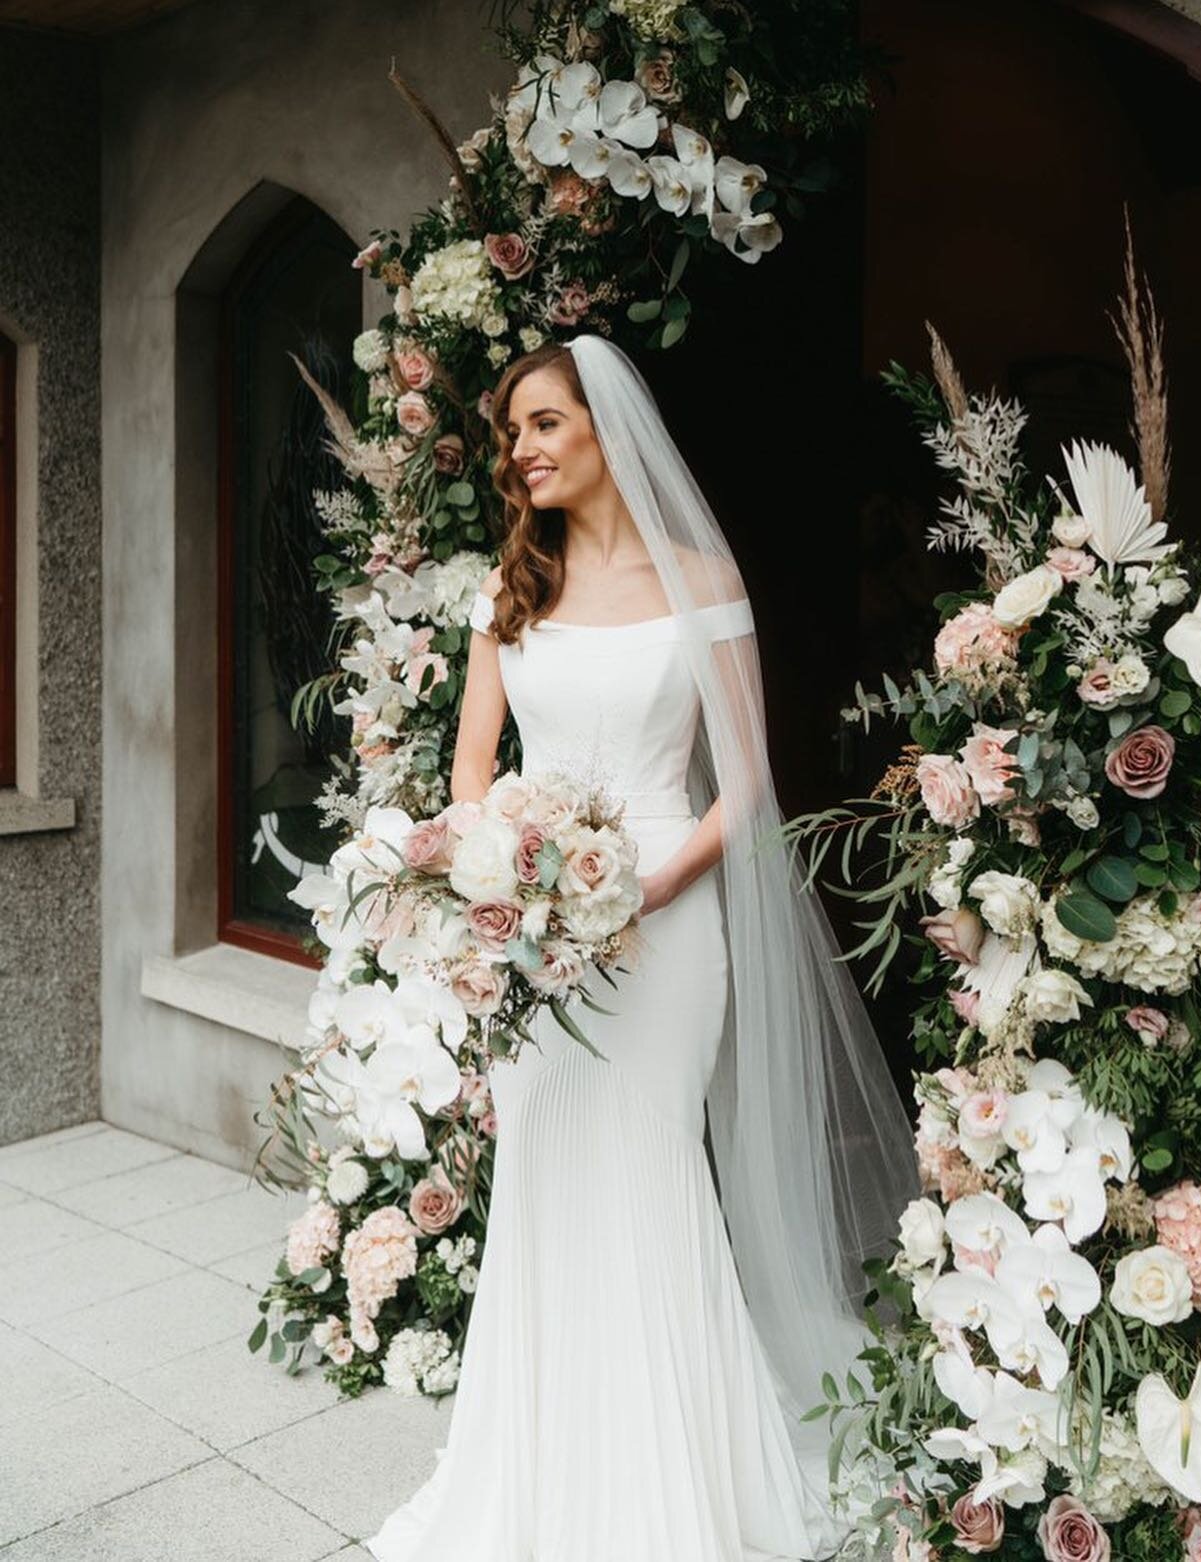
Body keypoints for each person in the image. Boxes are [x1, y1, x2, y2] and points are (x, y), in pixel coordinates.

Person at [364, 332, 918, 1562]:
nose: (522, 449)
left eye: (544, 424)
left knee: (653, 1176)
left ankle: (677, 1487)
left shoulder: (702, 577)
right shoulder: (508, 592)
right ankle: (543, 1472)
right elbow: (471, 767)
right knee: (552, 1187)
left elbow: (749, 777)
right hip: (539, 949)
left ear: (607, 434)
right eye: (514, 432)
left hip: (668, 933)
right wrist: (494, 871)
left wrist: (645, 888)